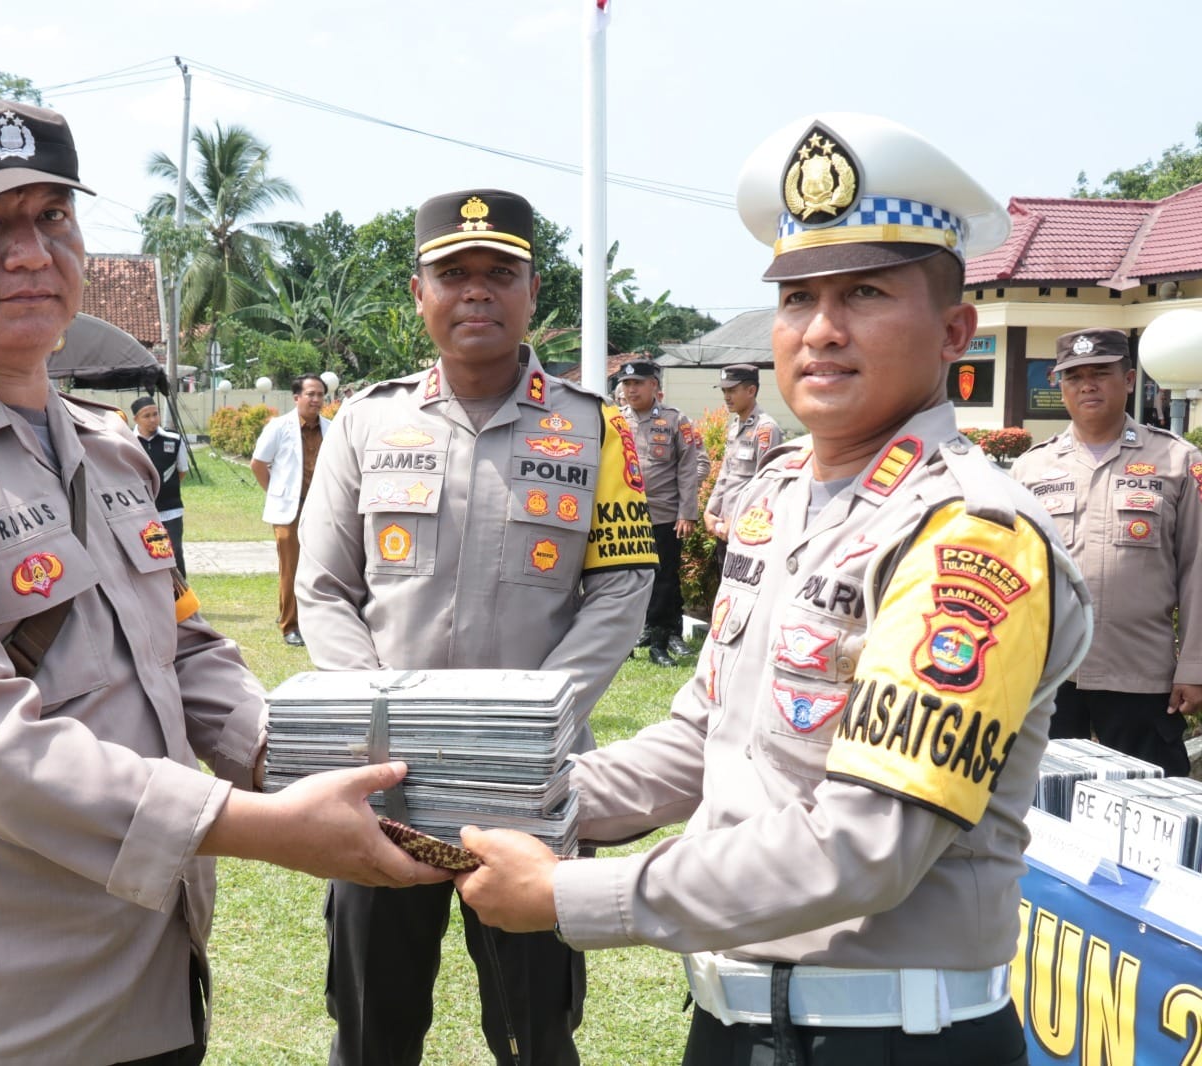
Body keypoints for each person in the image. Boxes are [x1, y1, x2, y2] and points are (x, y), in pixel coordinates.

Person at [0, 98, 445, 1066]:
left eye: (53, 216)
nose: (32, 251)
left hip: (144, 983)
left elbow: (186, 648)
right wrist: (260, 826)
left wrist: (296, 761)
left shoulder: (108, 449)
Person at [455, 113, 1095, 1066]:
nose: (823, 331)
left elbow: (865, 845)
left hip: (885, 1041)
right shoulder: (781, 499)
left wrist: (568, 896)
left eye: (866, 293)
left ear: (955, 328)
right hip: (738, 1023)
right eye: (798, 298)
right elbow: (701, 743)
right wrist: (519, 797)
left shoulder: (968, 535)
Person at [296, 188, 655, 1066]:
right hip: (384, 785)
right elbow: (324, 587)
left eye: (500, 274)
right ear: (419, 295)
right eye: (453, 275)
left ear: (534, 293)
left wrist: (533, 721)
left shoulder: (596, 427)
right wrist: (381, 717)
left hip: (528, 784)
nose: (477, 293)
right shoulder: (365, 423)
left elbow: (620, 588)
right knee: (373, 1025)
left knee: (537, 1028)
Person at [1011, 327, 1202, 776]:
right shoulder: (1030, 467)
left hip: (1138, 673)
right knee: (1044, 806)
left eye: (1101, 373)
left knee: (1150, 803)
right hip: (1049, 673)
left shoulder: (1177, 461)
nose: (1088, 385)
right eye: (1074, 377)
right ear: (1061, 385)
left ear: (1130, 380)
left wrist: (1194, 665)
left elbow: (1197, 568)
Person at [613, 359, 706, 665]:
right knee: (623, 579)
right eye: (627, 384)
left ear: (654, 384)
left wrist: (687, 513)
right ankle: (623, 642)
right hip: (625, 516)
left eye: (637, 383)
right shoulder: (614, 419)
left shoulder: (675, 420)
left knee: (663, 580)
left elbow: (688, 468)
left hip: (664, 516)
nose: (631, 389)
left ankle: (659, 643)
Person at [250, 374, 330, 646]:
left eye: (320, 394)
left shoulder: (331, 428)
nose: (316, 400)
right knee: (291, 568)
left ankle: (314, 621)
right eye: (311, 394)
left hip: (321, 509)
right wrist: (276, 493)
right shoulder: (279, 427)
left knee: (320, 567)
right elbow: (258, 464)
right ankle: (290, 625)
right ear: (297, 397)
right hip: (289, 511)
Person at [703, 363, 783, 546]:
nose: (727, 397)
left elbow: (766, 484)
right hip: (724, 525)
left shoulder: (765, 429)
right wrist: (711, 511)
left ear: (751, 390)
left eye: (731, 390)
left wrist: (738, 517)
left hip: (747, 527)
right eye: (724, 391)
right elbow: (726, 475)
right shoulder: (736, 426)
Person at [132, 394, 189, 577]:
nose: (153, 419)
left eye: (155, 414)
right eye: (146, 416)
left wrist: (164, 489)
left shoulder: (173, 440)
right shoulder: (127, 442)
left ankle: (181, 598)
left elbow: (182, 471)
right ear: (136, 419)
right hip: (139, 510)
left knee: (174, 552)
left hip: (170, 509)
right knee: (145, 554)